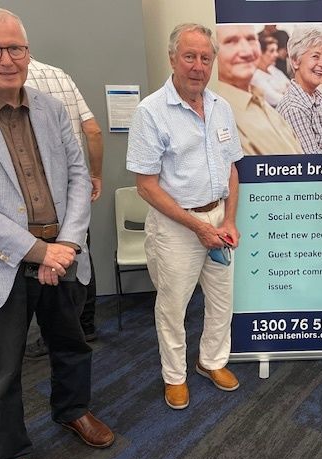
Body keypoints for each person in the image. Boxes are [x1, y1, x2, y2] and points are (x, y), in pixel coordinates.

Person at [0, 8, 114, 459]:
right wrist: (37, 252)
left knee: (72, 346)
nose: (6, 58)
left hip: (63, 257)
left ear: (28, 51)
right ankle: (10, 455)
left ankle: (72, 410)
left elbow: (80, 177)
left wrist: (68, 244)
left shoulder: (52, 109)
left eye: (16, 47)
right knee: (1, 373)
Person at [126, 23, 243, 410]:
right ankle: (174, 376)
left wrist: (228, 221)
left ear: (213, 62)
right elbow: (146, 185)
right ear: (173, 58)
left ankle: (212, 361)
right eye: (189, 57)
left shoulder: (221, 107)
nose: (197, 66)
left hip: (218, 221)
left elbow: (232, 170)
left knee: (222, 300)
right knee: (173, 306)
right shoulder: (151, 112)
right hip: (177, 226)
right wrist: (197, 226)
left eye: (205, 58)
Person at [24, 58, 104, 358]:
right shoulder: (60, 76)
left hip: (36, 190)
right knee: (80, 249)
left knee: (45, 259)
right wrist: (94, 175)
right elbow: (93, 131)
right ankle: (85, 325)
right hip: (74, 184)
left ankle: (54, 334)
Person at [216, 24, 302, 155]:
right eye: (231, 42)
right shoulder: (218, 114)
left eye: (251, 39)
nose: (247, 52)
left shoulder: (259, 100)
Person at [277, 26, 322, 154]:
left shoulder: (320, 99)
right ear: (295, 61)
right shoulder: (294, 109)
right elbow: (314, 166)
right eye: (315, 56)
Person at [250, 35, 290, 107]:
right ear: (260, 53)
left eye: (276, 50)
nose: (276, 54)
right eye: (272, 51)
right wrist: (285, 91)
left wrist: (283, 92)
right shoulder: (255, 76)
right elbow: (274, 99)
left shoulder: (272, 69)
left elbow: (290, 85)